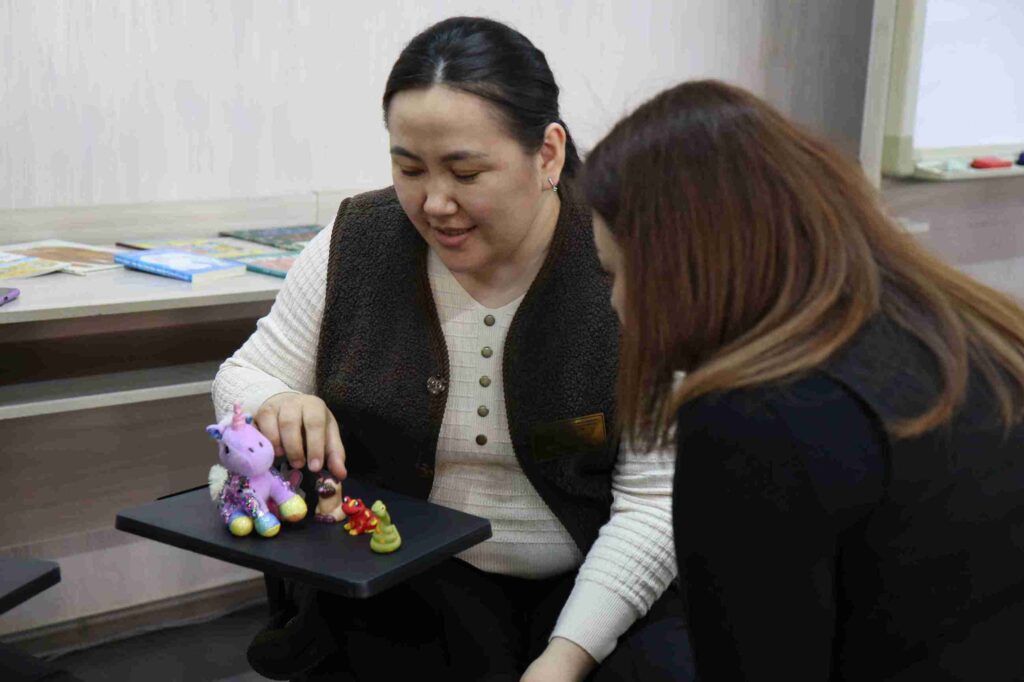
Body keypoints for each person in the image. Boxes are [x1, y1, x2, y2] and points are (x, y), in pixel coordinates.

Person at [212, 16, 692, 682]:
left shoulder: (614, 259)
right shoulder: (358, 242)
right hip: (406, 579)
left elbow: (650, 505)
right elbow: (245, 374)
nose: (435, 203)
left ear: (548, 155)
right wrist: (277, 400)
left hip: (587, 582)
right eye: (409, 168)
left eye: (466, 172)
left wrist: (565, 657)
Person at [584, 79, 1024, 680]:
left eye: (619, 273)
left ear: (685, 262)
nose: (616, 304)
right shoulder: (968, 328)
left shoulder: (751, 419)